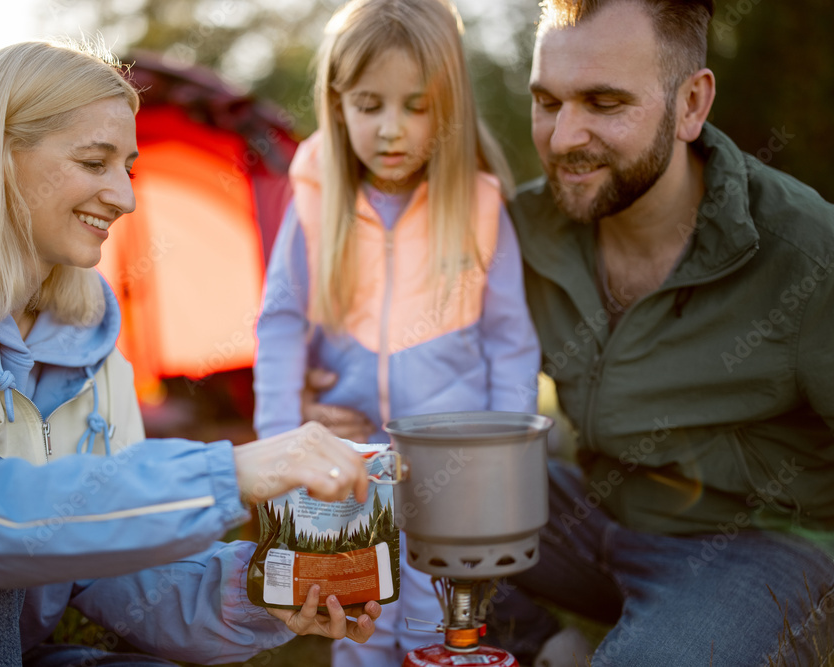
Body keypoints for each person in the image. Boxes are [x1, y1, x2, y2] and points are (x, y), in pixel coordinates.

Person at [304, 0, 834, 665]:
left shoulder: (807, 255)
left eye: (605, 103)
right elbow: (401, 338)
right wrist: (334, 402)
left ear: (692, 105)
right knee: (396, 492)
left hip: (760, 546)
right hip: (590, 511)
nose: (562, 137)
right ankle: (545, 643)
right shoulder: (517, 229)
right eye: (547, 102)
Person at [0, 39, 382, 667]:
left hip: (12, 653)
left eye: (128, 168)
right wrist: (227, 474)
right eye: (95, 163)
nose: (123, 198)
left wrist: (269, 590)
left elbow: (121, 571)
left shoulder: (86, 338)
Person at [252, 0, 541, 664]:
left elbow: (510, 341)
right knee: (356, 616)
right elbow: (281, 324)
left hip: (454, 472)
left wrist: (503, 459)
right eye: (369, 104)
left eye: (417, 105)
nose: (391, 129)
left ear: (450, 106)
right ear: (337, 100)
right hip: (350, 468)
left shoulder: (478, 205)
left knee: (440, 621)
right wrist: (280, 445)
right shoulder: (313, 201)